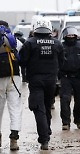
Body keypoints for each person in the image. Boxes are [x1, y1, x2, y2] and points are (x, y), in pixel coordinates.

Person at [19, 17, 63, 150]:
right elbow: (62, 62)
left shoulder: (29, 43)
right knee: (47, 106)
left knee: (39, 109)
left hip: (36, 81)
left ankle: (44, 139)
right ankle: (47, 132)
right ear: (50, 28)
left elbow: (22, 61)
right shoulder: (57, 43)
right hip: (51, 81)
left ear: (34, 28)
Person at [0, 20, 23, 150]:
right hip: (14, 78)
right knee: (15, 107)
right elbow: (22, 57)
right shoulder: (14, 40)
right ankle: (14, 139)